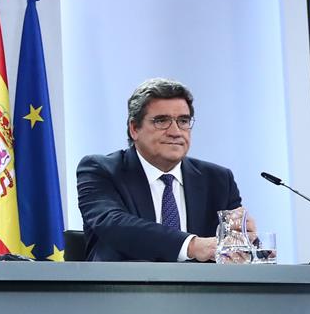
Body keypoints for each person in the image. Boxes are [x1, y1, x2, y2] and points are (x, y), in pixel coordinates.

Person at [76, 77, 245, 262]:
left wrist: (245, 239)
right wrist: (191, 246)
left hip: (201, 289)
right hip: (124, 288)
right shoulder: (100, 170)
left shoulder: (218, 179)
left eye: (183, 121)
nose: (175, 131)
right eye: (161, 121)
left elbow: (237, 252)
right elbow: (115, 224)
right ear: (134, 128)